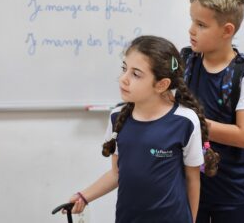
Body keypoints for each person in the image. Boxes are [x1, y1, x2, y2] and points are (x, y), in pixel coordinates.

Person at [64, 35, 219, 223]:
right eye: (124, 69)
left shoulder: (185, 121)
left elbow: (192, 180)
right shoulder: (117, 117)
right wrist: (84, 196)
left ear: (162, 84)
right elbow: (116, 173)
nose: (123, 79)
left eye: (135, 74)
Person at [180, 0, 244, 223]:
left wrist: (195, 123)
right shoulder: (184, 61)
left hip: (231, 191)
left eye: (201, 25)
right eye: (192, 21)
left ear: (227, 30)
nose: (191, 30)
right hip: (189, 184)